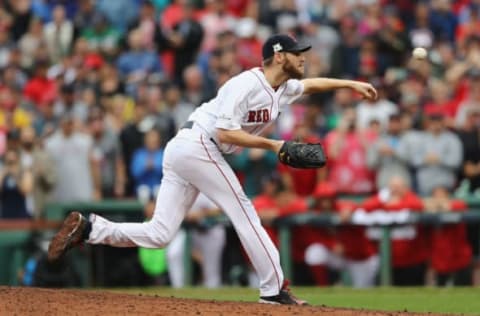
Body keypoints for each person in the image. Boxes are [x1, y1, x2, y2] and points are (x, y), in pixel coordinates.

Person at [47, 34, 377, 305]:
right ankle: (274, 290)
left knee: (161, 233)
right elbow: (224, 133)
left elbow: (312, 86)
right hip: (200, 144)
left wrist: (350, 84)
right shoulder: (245, 84)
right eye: (297, 53)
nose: (303, 57)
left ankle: (90, 229)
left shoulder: (283, 88)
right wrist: (275, 145)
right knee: (245, 212)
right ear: (278, 56)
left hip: (186, 149)